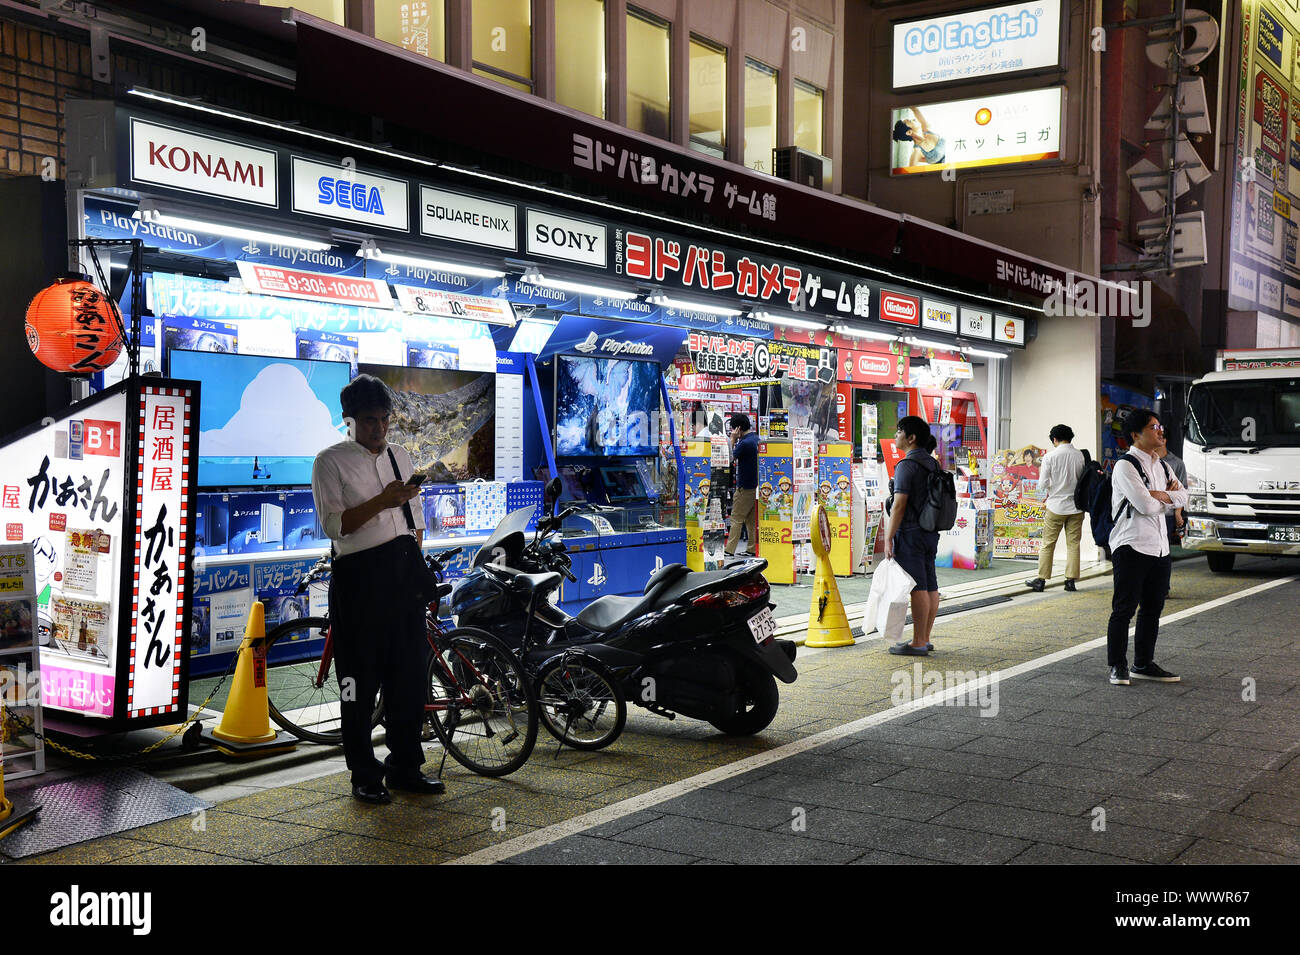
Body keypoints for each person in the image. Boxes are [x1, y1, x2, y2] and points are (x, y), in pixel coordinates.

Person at [312, 374, 446, 804]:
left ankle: (405, 766)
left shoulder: (400, 456)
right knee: (357, 684)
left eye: (385, 420)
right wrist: (383, 502)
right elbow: (335, 527)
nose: (380, 429)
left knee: (408, 681)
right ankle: (363, 774)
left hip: (403, 578)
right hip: (358, 582)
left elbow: (416, 516)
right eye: (370, 421)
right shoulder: (329, 461)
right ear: (348, 420)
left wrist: (413, 556)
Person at [1106, 409, 1188, 686]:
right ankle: (1118, 665)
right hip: (1132, 545)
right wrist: (1166, 498)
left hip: (1161, 548)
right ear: (1136, 434)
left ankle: (1143, 663)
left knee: (1153, 609)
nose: (1160, 431)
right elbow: (1144, 505)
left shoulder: (1162, 465)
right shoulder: (1125, 466)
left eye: (1160, 426)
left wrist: (1160, 496)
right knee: (1124, 609)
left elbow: (1183, 496)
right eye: (1154, 427)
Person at [882, 418, 941, 656]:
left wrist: (888, 537)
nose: (895, 436)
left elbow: (899, 505)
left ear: (911, 437)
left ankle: (917, 642)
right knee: (929, 585)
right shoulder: (932, 463)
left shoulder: (907, 465)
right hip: (930, 531)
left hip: (910, 532)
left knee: (917, 587)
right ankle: (924, 638)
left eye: (899, 432)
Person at [1025, 424, 1087, 593]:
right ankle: (1070, 581)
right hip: (1076, 507)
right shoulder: (1080, 455)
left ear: (1054, 439)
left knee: (1048, 544)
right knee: (1073, 544)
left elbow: (1042, 484)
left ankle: (1041, 581)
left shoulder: (1050, 457)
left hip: (1056, 507)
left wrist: (1054, 486)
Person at [724, 413, 759, 557]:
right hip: (755, 486)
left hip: (745, 487)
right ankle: (751, 549)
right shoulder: (756, 439)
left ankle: (729, 550)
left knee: (736, 518)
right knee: (750, 520)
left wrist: (732, 439)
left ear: (738, 428)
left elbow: (729, 458)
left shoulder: (744, 443)